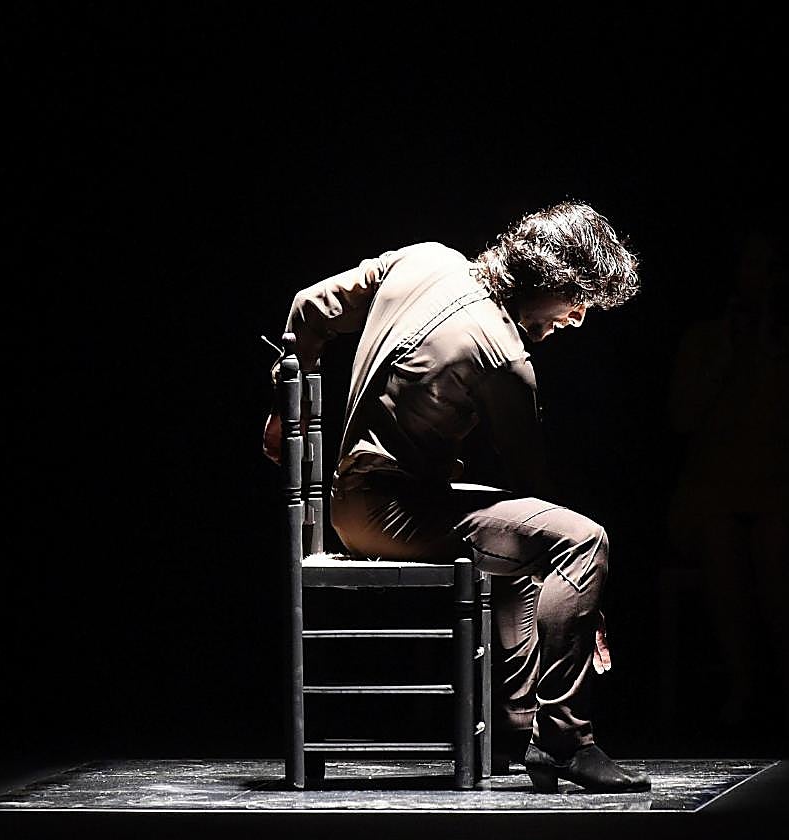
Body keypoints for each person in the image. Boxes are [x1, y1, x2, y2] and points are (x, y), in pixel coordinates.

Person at [262, 202, 648, 792]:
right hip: (392, 513)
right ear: (549, 277)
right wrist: (584, 604)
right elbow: (533, 485)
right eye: (578, 299)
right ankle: (565, 739)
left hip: (355, 498)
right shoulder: (503, 356)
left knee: (528, 542)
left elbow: (307, 307)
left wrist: (282, 408)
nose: (577, 318)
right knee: (581, 542)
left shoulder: (425, 258)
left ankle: (520, 727)